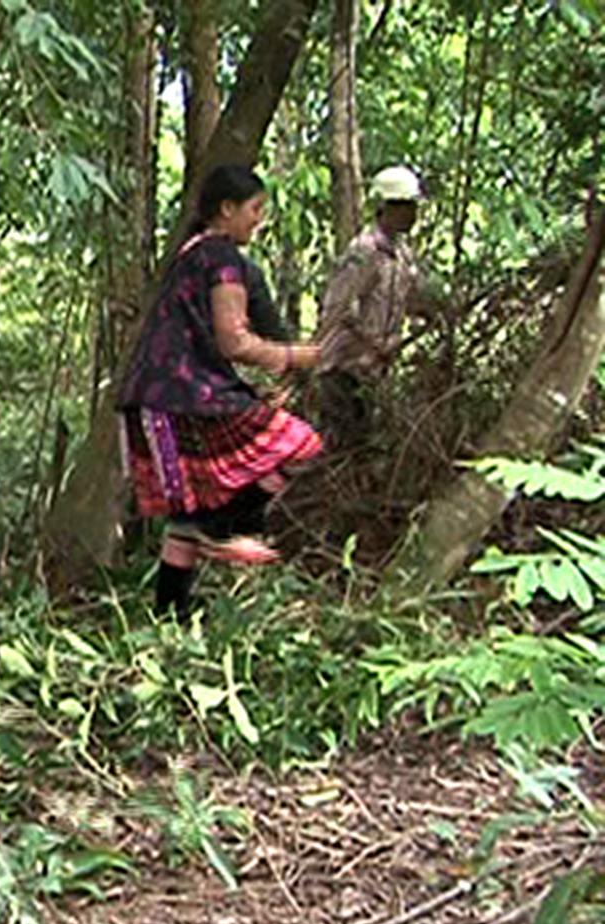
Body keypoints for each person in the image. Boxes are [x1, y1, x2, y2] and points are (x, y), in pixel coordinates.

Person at [120, 165, 323, 618]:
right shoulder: (220, 257)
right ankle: (226, 529)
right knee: (301, 444)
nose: (259, 219)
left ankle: (170, 620)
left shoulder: (194, 251)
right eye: (255, 209)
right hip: (183, 397)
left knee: (185, 521)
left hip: (160, 397)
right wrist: (294, 356)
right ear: (227, 210)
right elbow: (234, 341)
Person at [315, 166, 435, 454]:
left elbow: (409, 299)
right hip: (343, 369)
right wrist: (372, 345)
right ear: (385, 207)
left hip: (372, 371)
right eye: (405, 207)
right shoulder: (364, 251)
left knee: (364, 443)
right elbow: (337, 309)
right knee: (342, 446)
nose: (413, 215)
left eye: (413, 207)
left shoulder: (402, 255)